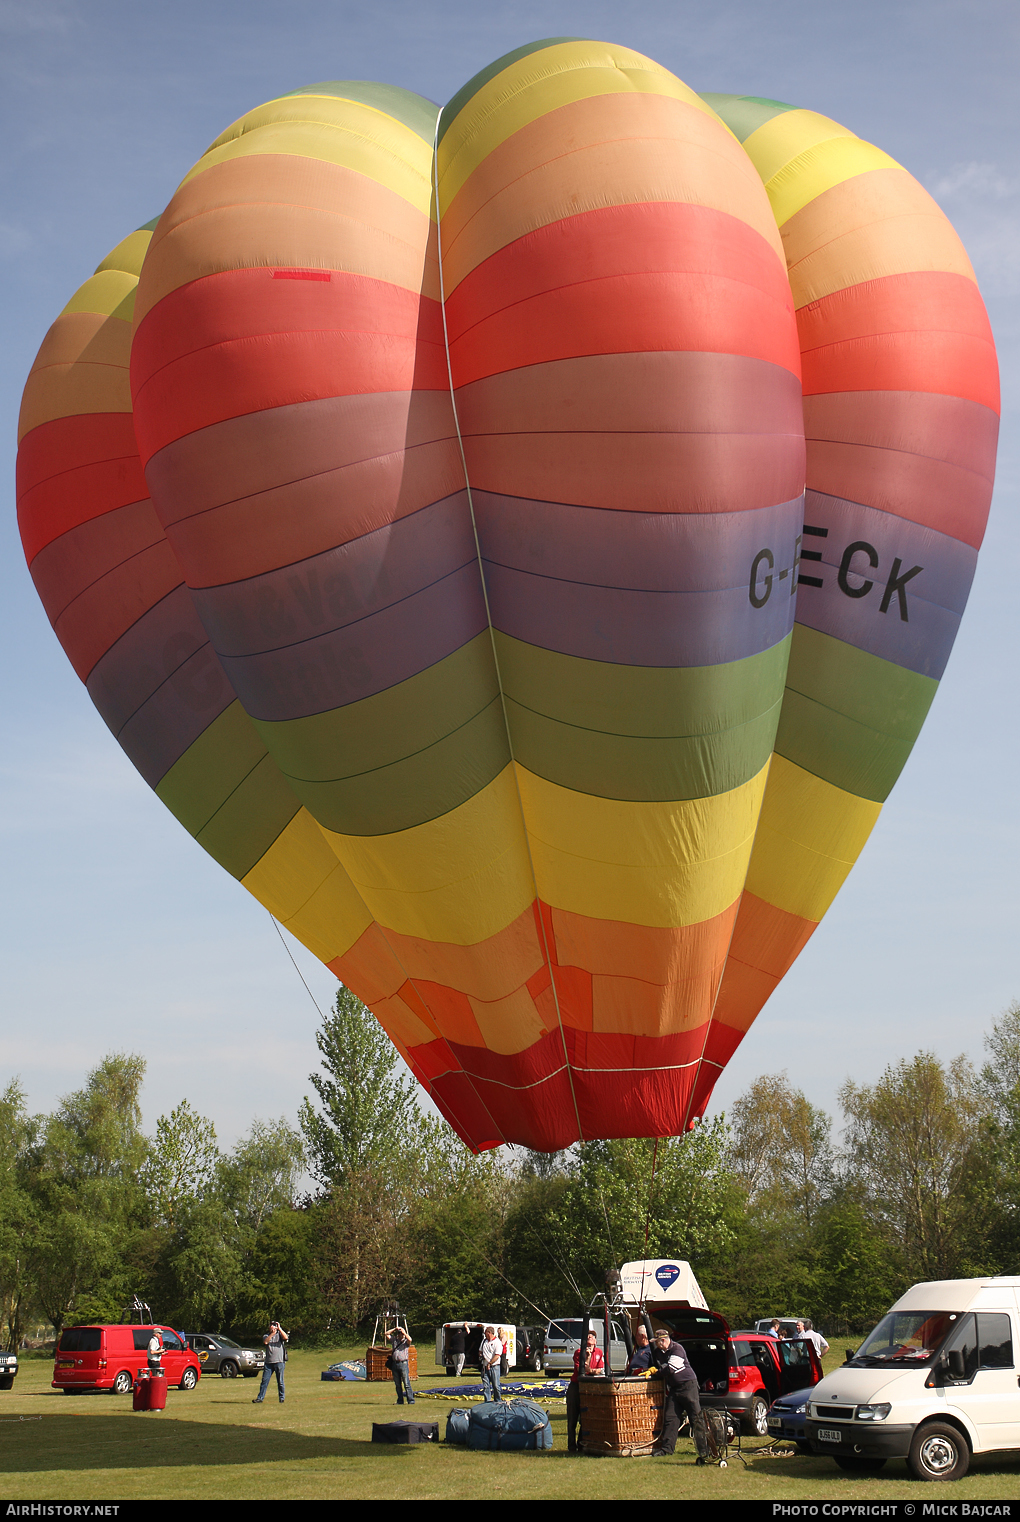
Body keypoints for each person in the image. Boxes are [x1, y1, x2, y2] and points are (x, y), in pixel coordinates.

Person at [650, 1327, 701, 1456]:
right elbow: (656, 1365)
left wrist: (657, 1372)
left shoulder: (677, 1349)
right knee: (670, 1418)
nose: (656, 1344)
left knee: (696, 1418)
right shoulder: (657, 1352)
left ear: (663, 1340)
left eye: (657, 1341)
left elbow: (670, 1369)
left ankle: (704, 1449)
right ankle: (666, 1450)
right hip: (674, 1389)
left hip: (688, 1386)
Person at [566, 1329, 605, 1452]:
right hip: (576, 1386)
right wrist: (587, 1357)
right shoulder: (578, 1352)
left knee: (586, 1417)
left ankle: (582, 1444)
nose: (589, 1338)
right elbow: (582, 1370)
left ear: (595, 1341)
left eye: (591, 1337)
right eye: (587, 1336)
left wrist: (592, 1370)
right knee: (572, 1417)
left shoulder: (599, 1352)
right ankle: (571, 1446)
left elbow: (600, 1369)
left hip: (589, 1387)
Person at [252, 1319, 288, 1404]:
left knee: (280, 1381)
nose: (272, 1327)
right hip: (269, 1363)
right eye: (271, 1325)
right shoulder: (266, 1335)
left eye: (274, 1325)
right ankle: (260, 1398)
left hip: (279, 1361)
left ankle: (281, 1398)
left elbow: (286, 1337)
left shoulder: (280, 1335)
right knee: (264, 1381)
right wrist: (272, 1333)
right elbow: (265, 1342)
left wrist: (279, 1329)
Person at [388, 1326, 415, 1405]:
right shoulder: (394, 1341)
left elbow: (410, 1339)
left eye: (401, 1334)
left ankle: (411, 1400)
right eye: (399, 1334)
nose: (400, 1335)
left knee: (406, 1383)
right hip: (395, 1363)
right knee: (397, 1384)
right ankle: (400, 1400)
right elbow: (386, 1334)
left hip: (403, 1363)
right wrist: (394, 1329)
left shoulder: (405, 1342)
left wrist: (404, 1332)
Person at [478, 1326, 503, 1402]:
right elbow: (480, 1351)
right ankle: (487, 1402)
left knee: (496, 1386)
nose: (485, 1334)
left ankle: (498, 1401)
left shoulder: (497, 1342)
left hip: (494, 1367)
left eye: (486, 1332)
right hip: (484, 1367)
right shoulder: (484, 1341)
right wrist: (481, 1356)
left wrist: (490, 1363)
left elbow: (497, 1355)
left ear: (489, 1333)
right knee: (486, 1386)